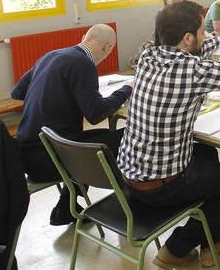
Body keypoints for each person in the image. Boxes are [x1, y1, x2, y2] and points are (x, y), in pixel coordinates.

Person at [118, 1, 220, 268]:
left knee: (206, 152)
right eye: (202, 31)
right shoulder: (193, 70)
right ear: (188, 37)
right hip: (160, 185)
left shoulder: (147, 56)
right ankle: (176, 248)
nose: (204, 36)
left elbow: (197, 49)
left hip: (130, 175)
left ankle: (213, 240)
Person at [11, 24, 133, 226]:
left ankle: (65, 207)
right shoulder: (83, 64)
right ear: (107, 48)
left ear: (85, 36)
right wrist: (126, 90)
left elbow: (17, 93)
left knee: (90, 138)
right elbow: (96, 114)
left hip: (26, 151)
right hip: (48, 158)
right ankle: (133, 200)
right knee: (124, 136)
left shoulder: (51, 56)